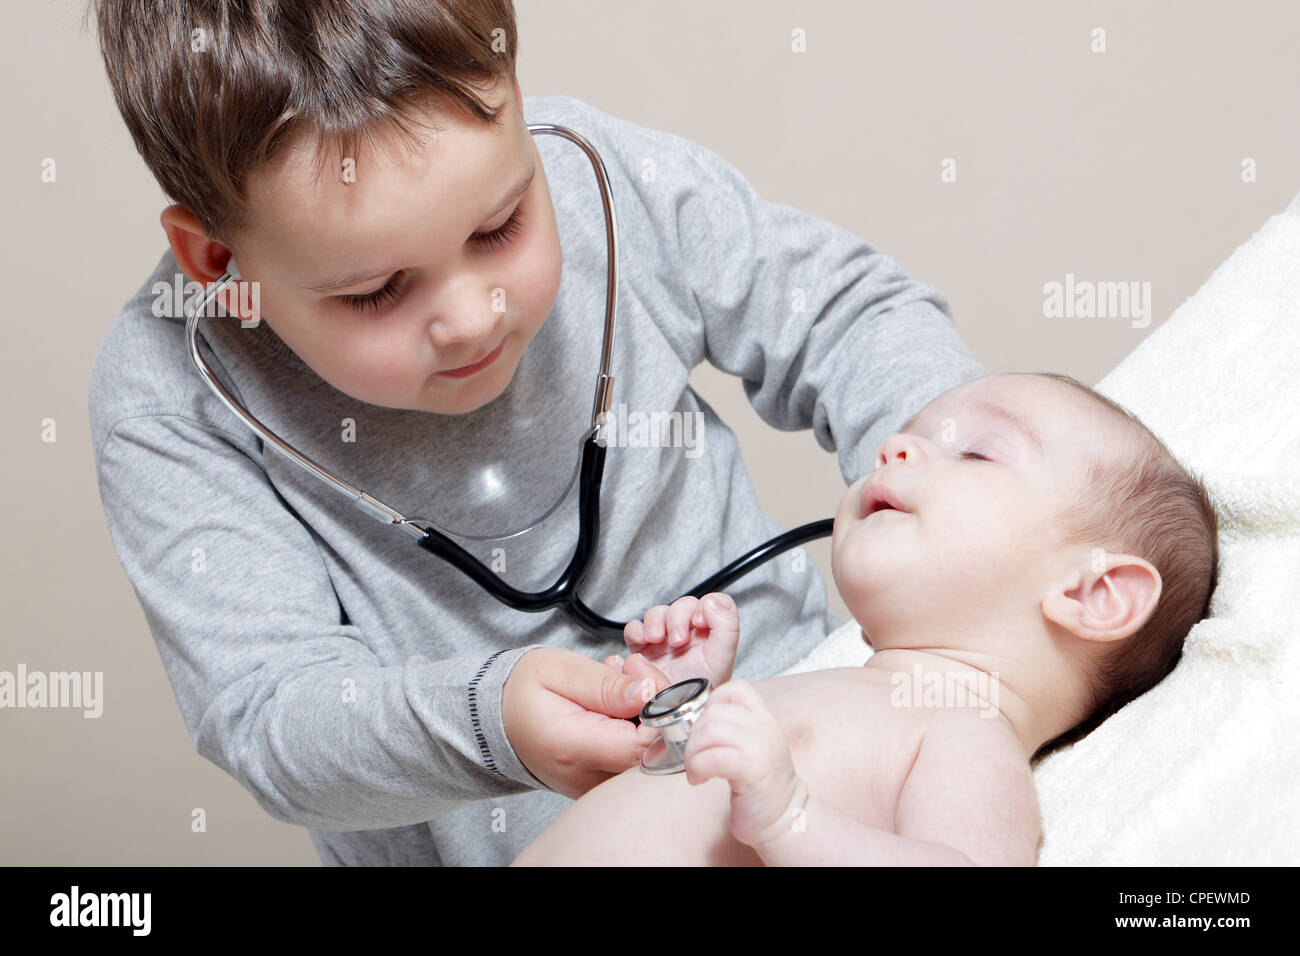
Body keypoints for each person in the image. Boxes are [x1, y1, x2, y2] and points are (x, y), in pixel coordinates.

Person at [86, 0, 982, 866]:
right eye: (375, 292)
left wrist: (964, 500)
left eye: (500, 226)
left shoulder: (609, 179)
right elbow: (274, 715)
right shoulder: (167, 402)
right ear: (216, 258)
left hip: (816, 766)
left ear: (512, 98)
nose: (474, 319)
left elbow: (849, 319)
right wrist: (490, 723)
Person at [512, 373, 1219, 865]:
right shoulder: (843, 691)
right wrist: (677, 714)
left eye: (977, 450)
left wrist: (790, 817)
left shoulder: (969, 738)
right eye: (910, 435)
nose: (894, 448)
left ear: (1095, 594)